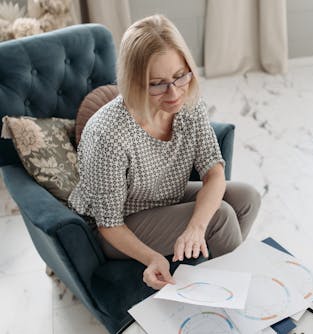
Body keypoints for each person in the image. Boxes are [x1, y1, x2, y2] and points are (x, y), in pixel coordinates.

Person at [68, 14, 261, 290]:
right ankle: (238, 295)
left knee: (247, 198)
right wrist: (152, 257)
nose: (173, 93)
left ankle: (215, 278)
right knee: (220, 217)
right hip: (115, 226)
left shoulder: (188, 102)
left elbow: (214, 172)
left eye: (180, 76)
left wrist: (195, 227)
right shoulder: (108, 134)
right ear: (134, 82)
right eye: (157, 83)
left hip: (160, 198)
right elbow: (109, 224)